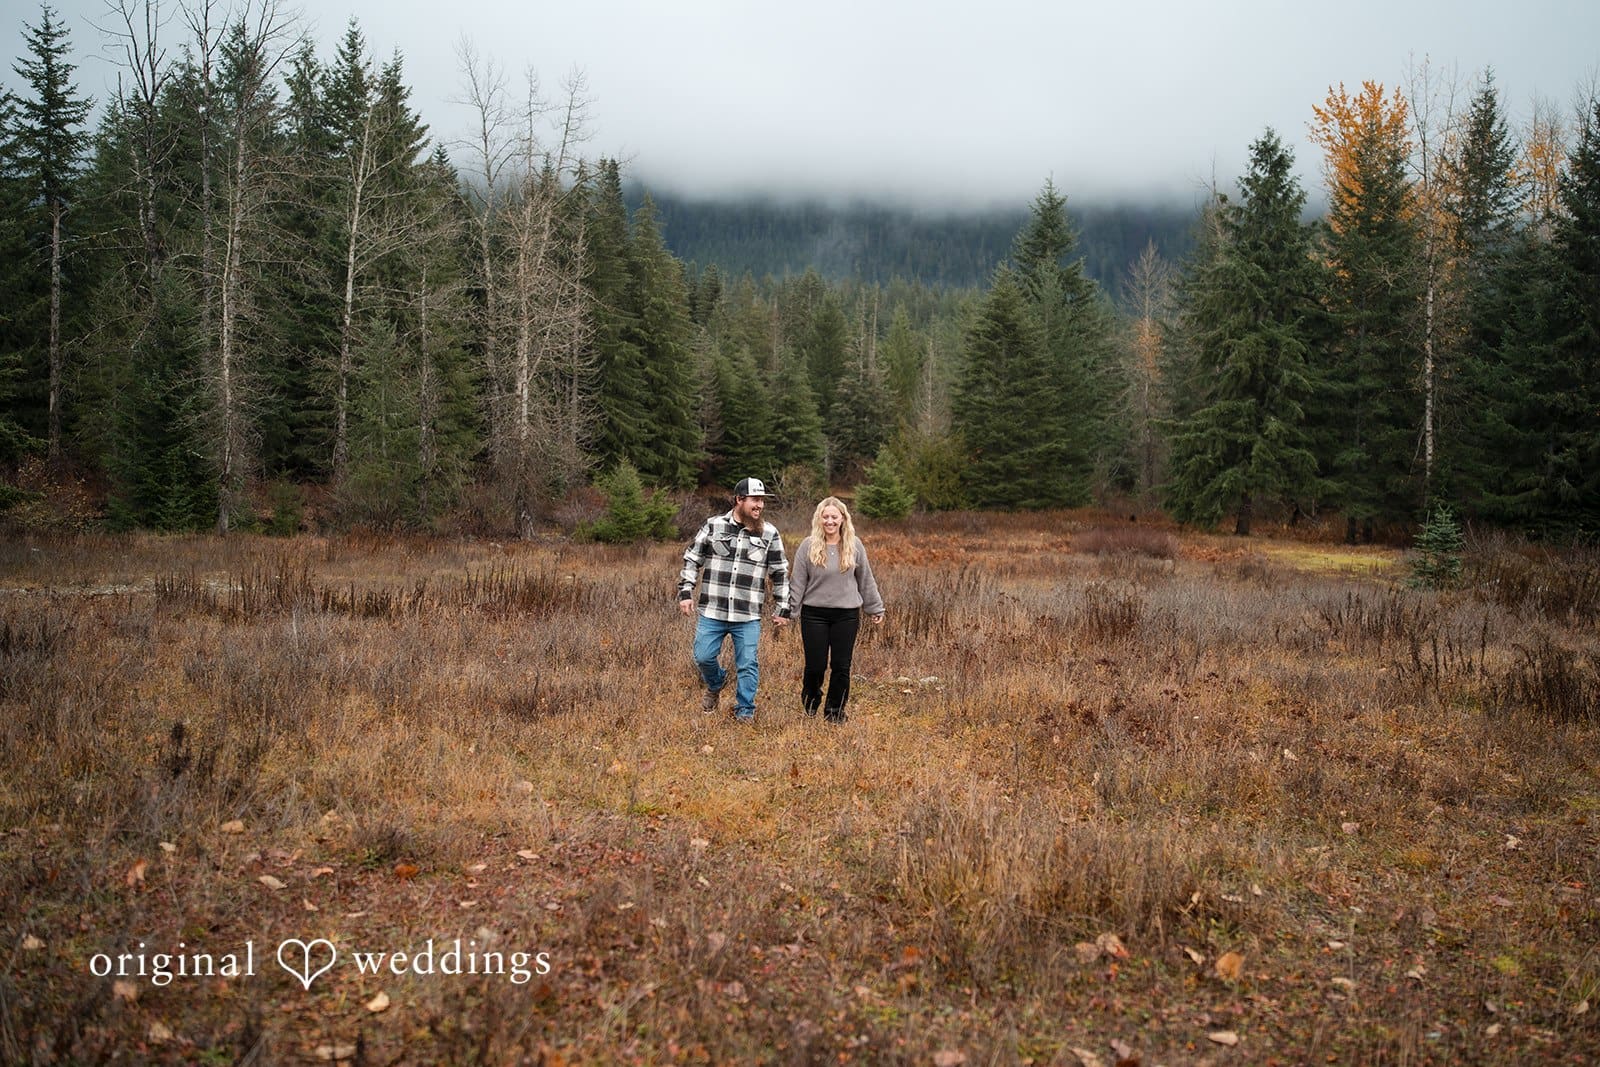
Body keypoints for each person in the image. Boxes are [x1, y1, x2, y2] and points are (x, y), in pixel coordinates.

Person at [678, 477, 791, 722]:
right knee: (703, 657)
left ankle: (745, 712)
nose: (760, 505)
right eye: (755, 500)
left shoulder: (770, 533)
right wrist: (686, 591)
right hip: (713, 610)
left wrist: (783, 607)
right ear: (739, 499)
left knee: (747, 663)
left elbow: (780, 572)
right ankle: (716, 683)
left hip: (747, 614)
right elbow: (692, 558)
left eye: (762, 501)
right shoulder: (713, 526)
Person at [790, 496, 884, 724]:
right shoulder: (808, 545)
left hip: (846, 615)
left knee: (841, 666)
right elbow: (797, 582)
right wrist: (789, 612)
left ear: (843, 518)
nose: (830, 521)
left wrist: (874, 607)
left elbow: (865, 578)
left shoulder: (854, 545)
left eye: (834, 517)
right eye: (825, 517)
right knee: (816, 666)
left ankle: (835, 712)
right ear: (819, 519)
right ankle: (811, 703)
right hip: (814, 614)